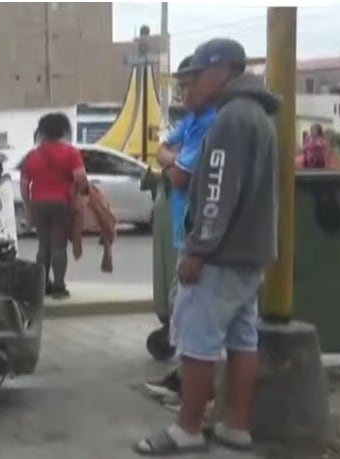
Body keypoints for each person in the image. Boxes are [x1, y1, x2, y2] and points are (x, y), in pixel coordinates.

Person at [134, 37, 278, 456]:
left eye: (192, 79)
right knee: (242, 339)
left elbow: (215, 194)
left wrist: (197, 250)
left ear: (219, 73)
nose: (188, 89)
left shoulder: (230, 121)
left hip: (219, 255)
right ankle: (236, 426)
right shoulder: (259, 118)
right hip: (249, 256)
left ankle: (188, 428)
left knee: (198, 342)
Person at [143, 55, 220, 401]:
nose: (182, 93)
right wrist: (172, 159)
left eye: (188, 85)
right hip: (182, 225)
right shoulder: (192, 120)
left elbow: (178, 175)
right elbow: (160, 151)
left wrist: (172, 162)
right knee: (182, 307)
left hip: (198, 230)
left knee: (190, 310)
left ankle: (195, 391)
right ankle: (188, 382)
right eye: (180, 85)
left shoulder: (213, 122)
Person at [19, 113, 87, 299]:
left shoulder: (32, 156)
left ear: (42, 131)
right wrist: (81, 193)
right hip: (61, 203)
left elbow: (24, 185)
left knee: (43, 245)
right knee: (58, 245)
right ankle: (58, 286)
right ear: (63, 130)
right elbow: (80, 178)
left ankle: (42, 286)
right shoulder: (71, 153)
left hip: (38, 203)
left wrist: (28, 205)